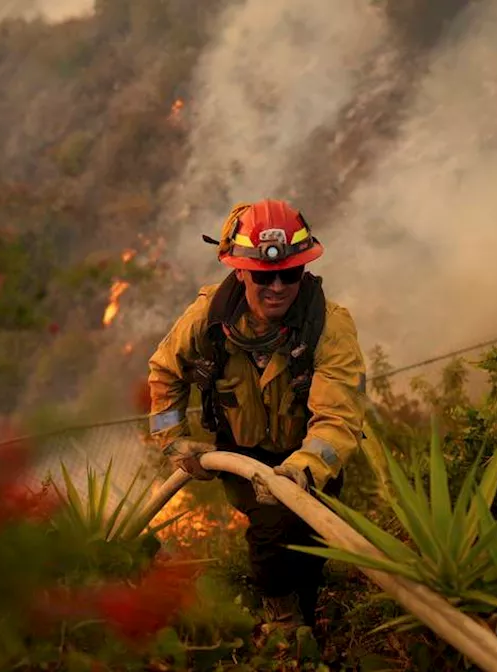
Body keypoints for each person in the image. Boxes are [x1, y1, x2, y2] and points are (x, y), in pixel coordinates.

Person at [146, 199, 367, 631]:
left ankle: (307, 618)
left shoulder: (329, 326)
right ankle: (283, 628)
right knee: (271, 534)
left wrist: (302, 469)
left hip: (308, 464)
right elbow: (163, 371)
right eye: (266, 276)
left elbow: (339, 418)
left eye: (291, 274)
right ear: (241, 271)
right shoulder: (207, 319)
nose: (279, 287)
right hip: (243, 459)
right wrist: (172, 440)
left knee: (309, 548)